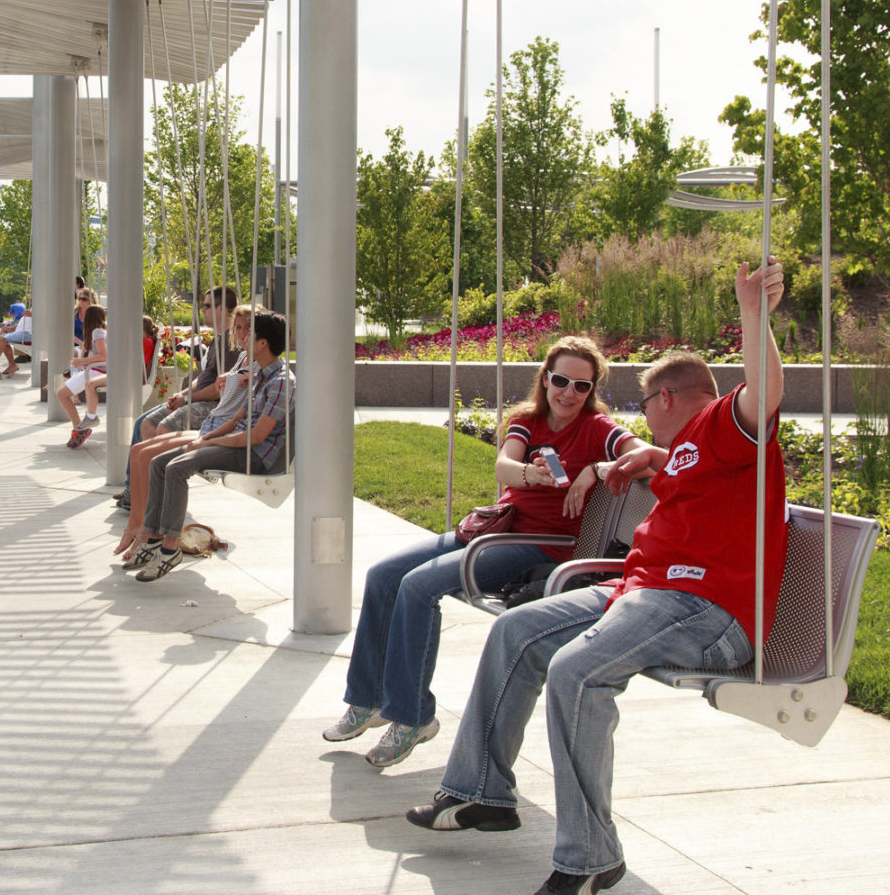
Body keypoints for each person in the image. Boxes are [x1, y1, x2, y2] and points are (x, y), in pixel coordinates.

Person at [403, 259, 788, 895]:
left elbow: (765, 393)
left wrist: (754, 313)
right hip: (644, 593)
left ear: (665, 398)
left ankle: (589, 859)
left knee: (575, 672)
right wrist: (653, 456)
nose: (641, 415)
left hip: (702, 606)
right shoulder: (692, 449)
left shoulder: (724, 424)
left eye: (644, 404)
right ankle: (483, 794)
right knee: (517, 631)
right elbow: (701, 481)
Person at [323, 336, 648, 769]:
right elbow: (504, 466)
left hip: (541, 545)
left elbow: (647, 454)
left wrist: (594, 469)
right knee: (383, 575)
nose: (569, 393)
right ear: (545, 378)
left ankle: (413, 717)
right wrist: (529, 474)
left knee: (419, 588)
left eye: (582, 386)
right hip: (495, 528)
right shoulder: (528, 420)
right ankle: (367, 700)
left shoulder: (597, 430)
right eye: (560, 380)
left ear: (593, 391)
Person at [124, 309, 294, 583]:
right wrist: (204, 439)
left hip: (252, 455)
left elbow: (256, 436)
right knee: (159, 463)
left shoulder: (280, 383)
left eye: (250, 334)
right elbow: (238, 418)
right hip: (233, 442)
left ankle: (169, 548)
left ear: (263, 343)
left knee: (178, 468)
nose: (243, 337)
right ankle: (153, 537)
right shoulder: (261, 375)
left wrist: (211, 441)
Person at [114, 305, 252, 557]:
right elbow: (219, 382)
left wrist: (198, 405)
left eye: (247, 329)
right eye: (239, 327)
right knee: (138, 448)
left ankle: (151, 533)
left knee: (155, 457)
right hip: (213, 422)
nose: (241, 334)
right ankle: (137, 523)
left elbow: (239, 407)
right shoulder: (241, 357)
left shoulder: (253, 364)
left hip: (215, 424)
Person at [118, 285, 239, 502]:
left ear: (222, 309)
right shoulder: (217, 340)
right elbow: (203, 380)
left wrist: (187, 398)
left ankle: (156, 495)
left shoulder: (231, 345)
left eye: (207, 306)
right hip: (199, 398)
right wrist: (182, 394)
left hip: (214, 405)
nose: (203, 310)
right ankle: (138, 490)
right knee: (143, 423)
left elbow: (219, 388)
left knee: (161, 426)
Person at [57, 303, 108, 447]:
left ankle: (78, 429)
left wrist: (83, 361)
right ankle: (78, 428)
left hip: (96, 371)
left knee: (61, 394)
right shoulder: (102, 331)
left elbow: (104, 356)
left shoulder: (97, 332)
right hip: (95, 370)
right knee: (62, 393)